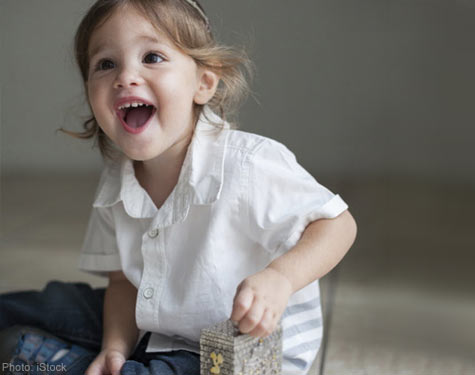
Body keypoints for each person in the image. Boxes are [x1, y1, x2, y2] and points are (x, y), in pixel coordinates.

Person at [0, 0, 357, 374]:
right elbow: (124, 283)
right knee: (52, 304)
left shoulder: (248, 163)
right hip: (154, 324)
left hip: (233, 356)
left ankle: (42, 362)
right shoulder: (117, 178)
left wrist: (281, 278)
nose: (125, 77)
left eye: (152, 57)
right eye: (106, 64)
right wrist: (113, 348)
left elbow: (338, 224)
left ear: (203, 83)